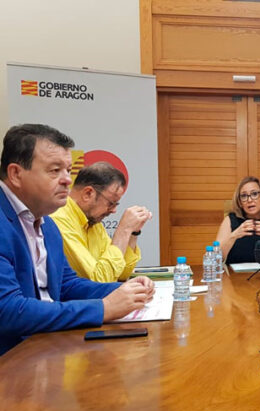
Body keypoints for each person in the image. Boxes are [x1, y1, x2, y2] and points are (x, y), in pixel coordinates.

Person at [0, 124, 154, 355]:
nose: (66, 180)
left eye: (68, 171)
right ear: (15, 174)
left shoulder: (47, 225)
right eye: (55, 170)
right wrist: (103, 308)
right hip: (12, 359)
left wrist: (127, 290)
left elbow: (67, 286)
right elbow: (7, 310)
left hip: (46, 348)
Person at [51, 162, 152, 282]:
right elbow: (97, 281)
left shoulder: (93, 222)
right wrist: (123, 230)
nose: (114, 210)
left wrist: (133, 232)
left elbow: (121, 272)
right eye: (111, 203)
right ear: (88, 193)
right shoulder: (59, 220)